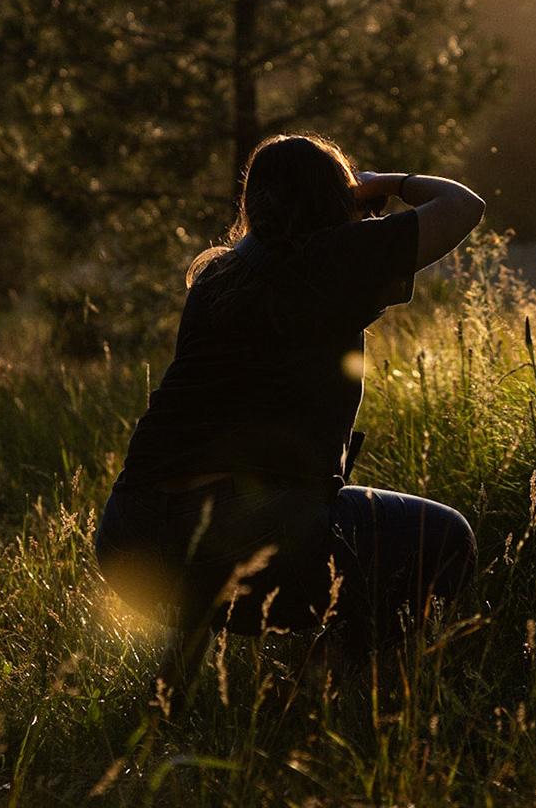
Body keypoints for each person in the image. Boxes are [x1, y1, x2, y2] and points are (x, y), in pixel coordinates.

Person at [94, 133, 485, 701]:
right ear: (336, 198)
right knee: (446, 536)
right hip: (242, 537)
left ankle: (170, 688)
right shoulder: (337, 257)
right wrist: (386, 186)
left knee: (227, 510)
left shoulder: (216, 277)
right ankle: (346, 687)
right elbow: (463, 206)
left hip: (131, 539)